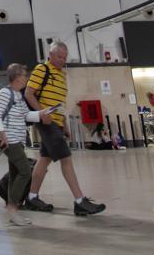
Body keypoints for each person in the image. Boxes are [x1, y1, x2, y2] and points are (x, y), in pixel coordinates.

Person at [22, 41, 105, 215]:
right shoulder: (41, 70)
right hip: (46, 122)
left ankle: (31, 197)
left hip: (57, 123)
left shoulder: (62, 75)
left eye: (65, 57)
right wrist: (41, 113)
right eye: (59, 56)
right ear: (50, 55)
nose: (62, 60)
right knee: (66, 158)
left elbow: (60, 104)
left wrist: (65, 124)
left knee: (44, 159)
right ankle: (79, 201)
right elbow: (29, 93)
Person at [0, 63, 53, 226]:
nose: (27, 78)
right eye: (25, 75)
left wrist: (41, 114)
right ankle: (13, 208)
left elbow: (26, 115)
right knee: (25, 171)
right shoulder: (4, 93)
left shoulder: (18, 95)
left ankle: (12, 210)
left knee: (15, 174)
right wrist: (2, 134)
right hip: (9, 140)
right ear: (17, 77)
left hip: (18, 140)